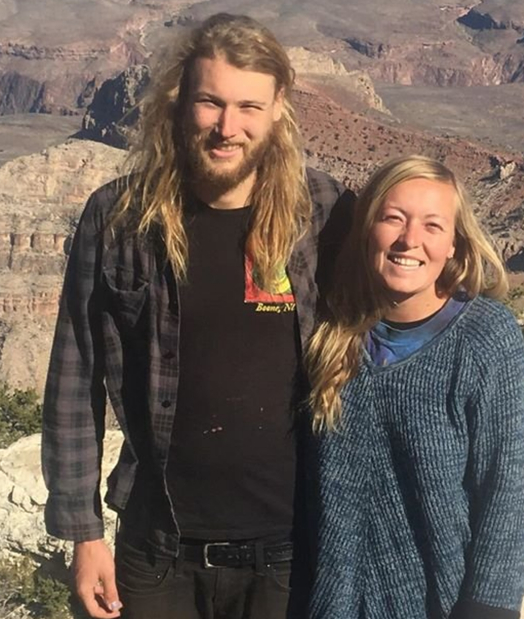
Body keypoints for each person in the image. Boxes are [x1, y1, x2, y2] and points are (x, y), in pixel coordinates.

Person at [41, 13, 354, 619]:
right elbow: (74, 377)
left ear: (278, 107)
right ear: (180, 99)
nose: (227, 127)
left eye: (248, 107)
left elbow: (385, 321)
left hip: (290, 553)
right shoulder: (119, 218)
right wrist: (84, 533)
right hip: (157, 553)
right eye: (210, 102)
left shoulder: (320, 210)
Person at [305, 155, 524, 619]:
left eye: (433, 225)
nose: (410, 240)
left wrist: (487, 610)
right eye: (394, 218)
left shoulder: (484, 338)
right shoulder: (332, 330)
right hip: (329, 603)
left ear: (453, 243)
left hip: (440, 604)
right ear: (368, 228)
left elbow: (507, 491)